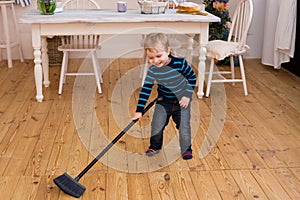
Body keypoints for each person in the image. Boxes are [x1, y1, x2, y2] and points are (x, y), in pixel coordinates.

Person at [132, 33, 196, 160]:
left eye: (158, 56)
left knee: (184, 126)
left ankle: (186, 149)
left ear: (168, 51)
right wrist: (139, 110)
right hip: (164, 101)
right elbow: (146, 89)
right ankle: (155, 146)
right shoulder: (153, 70)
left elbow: (192, 78)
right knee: (157, 125)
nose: (155, 61)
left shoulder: (180, 64)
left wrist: (187, 95)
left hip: (181, 102)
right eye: (151, 58)